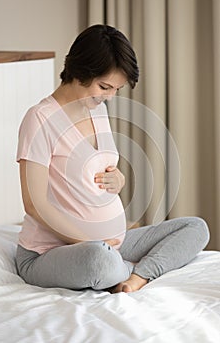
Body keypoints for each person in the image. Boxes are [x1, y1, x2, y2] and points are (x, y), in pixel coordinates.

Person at [16, 24, 209, 293]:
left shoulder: (97, 110)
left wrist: (117, 179)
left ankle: (136, 275)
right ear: (79, 70)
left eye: (116, 89)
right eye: (104, 86)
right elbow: (34, 204)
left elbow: (98, 170)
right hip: (53, 251)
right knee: (97, 261)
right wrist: (86, 241)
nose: (109, 96)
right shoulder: (39, 119)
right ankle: (128, 267)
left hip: (112, 241)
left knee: (196, 228)